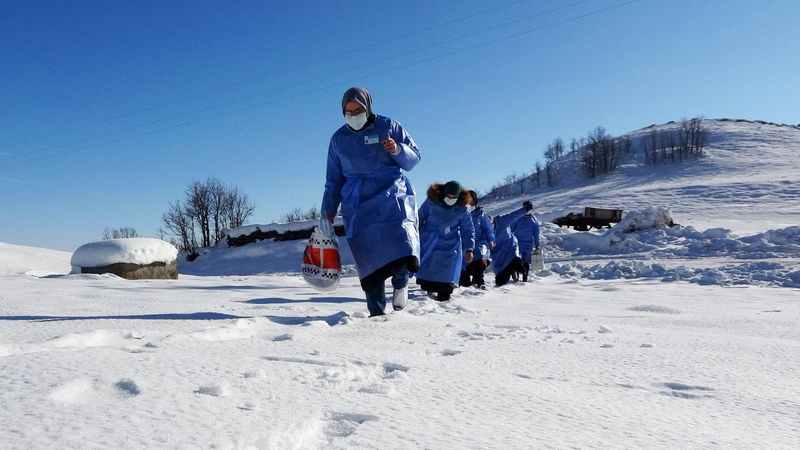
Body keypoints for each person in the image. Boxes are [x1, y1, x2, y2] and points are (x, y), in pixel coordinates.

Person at [320, 87, 421, 317]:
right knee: (369, 261)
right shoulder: (338, 140)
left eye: (358, 110)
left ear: (368, 107)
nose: (354, 116)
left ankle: (401, 281)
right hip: (358, 204)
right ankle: (376, 315)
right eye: (348, 112)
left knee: (402, 242)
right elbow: (333, 181)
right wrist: (327, 213)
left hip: (391, 195)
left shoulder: (388, 126)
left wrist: (398, 149)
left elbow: (414, 158)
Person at [416, 181, 475, 301]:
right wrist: (419, 234)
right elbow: (419, 218)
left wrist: (469, 248)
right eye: (448, 196)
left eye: (454, 197)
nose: (450, 199)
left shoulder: (462, 209)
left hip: (450, 246)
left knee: (447, 274)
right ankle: (429, 292)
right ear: (443, 193)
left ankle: (444, 297)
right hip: (430, 242)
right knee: (429, 270)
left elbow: (468, 230)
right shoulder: (432, 202)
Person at [491, 200, 533, 286]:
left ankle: (522, 276)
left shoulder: (501, 221)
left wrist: (525, 209)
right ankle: (506, 277)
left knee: (520, 266)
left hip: (510, 247)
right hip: (498, 255)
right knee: (500, 281)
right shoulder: (484, 231)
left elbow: (513, 216)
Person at [459, 190, 495, 289]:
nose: (468, 202)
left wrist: (491, 240)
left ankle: (479, 282)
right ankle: (464, 286)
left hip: (479, 244)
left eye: (470, 200)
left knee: (479, 263)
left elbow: (488, 229)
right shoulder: (461, 213)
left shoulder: (481, 214)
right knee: (463, 266)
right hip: (464, 245)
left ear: (474, 201)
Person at [511, 206, 541, 281]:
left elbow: (536, 233)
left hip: (526, 244)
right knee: (518, 260)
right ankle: (518, 276)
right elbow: (511, 230)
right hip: (519, 243)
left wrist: (537, 244)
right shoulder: (519, 218)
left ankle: (524, 277)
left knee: (524, 261)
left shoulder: (533, 220)